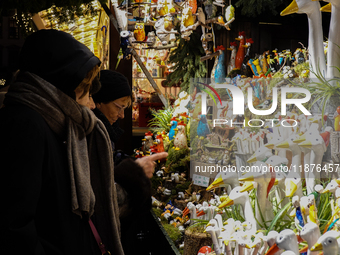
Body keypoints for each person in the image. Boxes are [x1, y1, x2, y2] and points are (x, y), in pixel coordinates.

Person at [0, 29, 122, 254]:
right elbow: (14, 224)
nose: (92, 104)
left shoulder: (54, 123)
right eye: (83, 91)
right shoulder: (25, 126)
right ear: (60, 86)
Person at [92, 70, 168, 255]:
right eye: (119, 107)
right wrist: (133, 171)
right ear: (99, 102)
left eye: (125, 108)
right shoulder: (92, 133)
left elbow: (109, 162)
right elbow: (99, 189)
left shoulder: (105, 132)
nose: (121, 115)